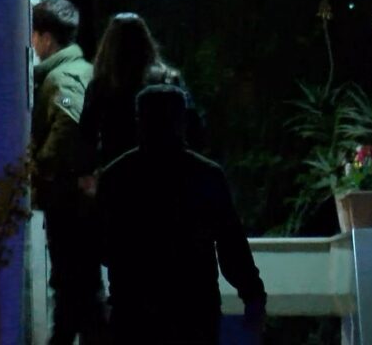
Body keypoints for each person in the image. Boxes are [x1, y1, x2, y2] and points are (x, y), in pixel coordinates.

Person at [96, 85, 266, 345]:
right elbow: (232, 247)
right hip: (195, 310)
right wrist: (253, 296)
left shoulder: (115, 176)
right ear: (182, 122)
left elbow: (102, 248)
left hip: (134, 312)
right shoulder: (207, 175)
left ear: (140, 122)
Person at [28, 0, 105, 345]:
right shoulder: (81, 70)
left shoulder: (63, 77)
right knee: (78, 289)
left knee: (76, 284)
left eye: (34, 35)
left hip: (69, 201)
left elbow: (69, 127)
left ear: (46, 38)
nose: (32, 44)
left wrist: (41, 165)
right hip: (77, 201)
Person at [79, 12, 202, 173]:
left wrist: (88, 171)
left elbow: (87, 135)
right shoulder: (168, 80)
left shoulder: (101, 86)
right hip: (167, 169)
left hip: (118, 172)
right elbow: (193, 125)